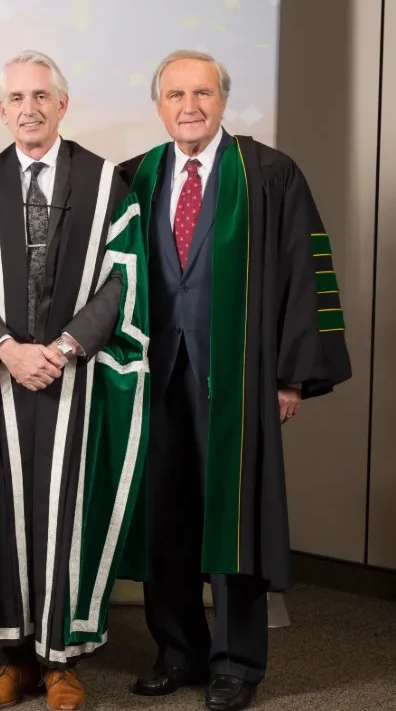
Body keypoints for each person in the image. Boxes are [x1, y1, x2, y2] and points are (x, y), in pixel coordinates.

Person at [122, 50, 352, 711]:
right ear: (159, 105)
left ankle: (237, 662)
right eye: (175, 95)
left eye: (202, 93)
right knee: (165, 516)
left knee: (237, 516)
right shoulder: (135, 176)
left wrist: (291, 377)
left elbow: (304, 273)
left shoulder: (269, 174)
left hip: (239, 380)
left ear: (223, 100)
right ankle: (178, 650)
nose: (189, 106)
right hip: (154, 377)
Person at [0, 51, 149, 711]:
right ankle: (14, 660)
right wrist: (5, 347)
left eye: (40, 96)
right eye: (16, 98)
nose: (28, 109)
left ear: (63, 104)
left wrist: (62, 346)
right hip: (2, 380)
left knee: (67, 513)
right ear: (1, 110)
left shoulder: (106, 184)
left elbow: (123, 277)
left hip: (74, 376)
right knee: (6, 511)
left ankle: (61, 662)